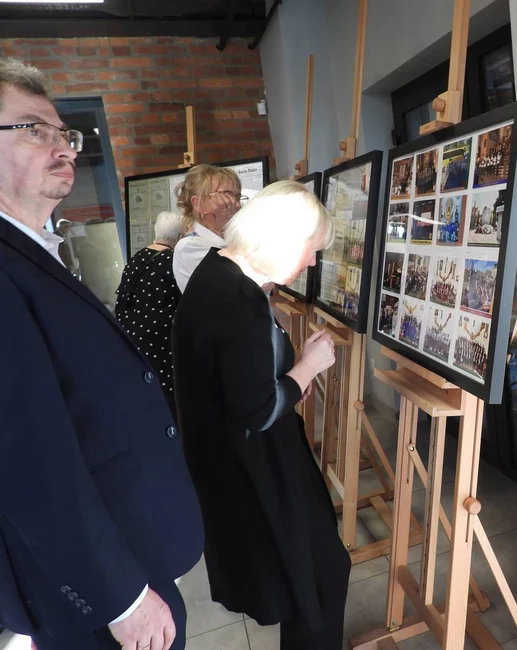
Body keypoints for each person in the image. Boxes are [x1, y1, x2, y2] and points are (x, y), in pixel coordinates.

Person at [0, 57, 203, 650]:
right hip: (100, 596)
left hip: (128, 550)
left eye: (64, 133)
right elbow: (27, 464)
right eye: (34, 129)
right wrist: (122, 600)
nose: (63, 146)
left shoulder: (36, 250)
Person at [172, 181, 350, 649]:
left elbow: (242, 382)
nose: (312, 262)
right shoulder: (237, 299)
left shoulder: (219, 271)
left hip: (242, 460)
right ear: (282, 241)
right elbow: (256, 410)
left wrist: (287, 379)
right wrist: (308, 366)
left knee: (315, 575)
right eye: (311, 249)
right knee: (321, 577)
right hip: (256, 468)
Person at [115, 211, 186, 418]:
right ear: (180, 236)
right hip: (161, 341)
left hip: (133, 339)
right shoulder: (172, 260)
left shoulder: (136, 258)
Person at [173, 164, 244, 292]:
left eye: (237, 197)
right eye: (226, 196)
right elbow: (237, 287)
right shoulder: (190, 247)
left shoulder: (232, 239)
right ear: (199, 204)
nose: (237, 205)